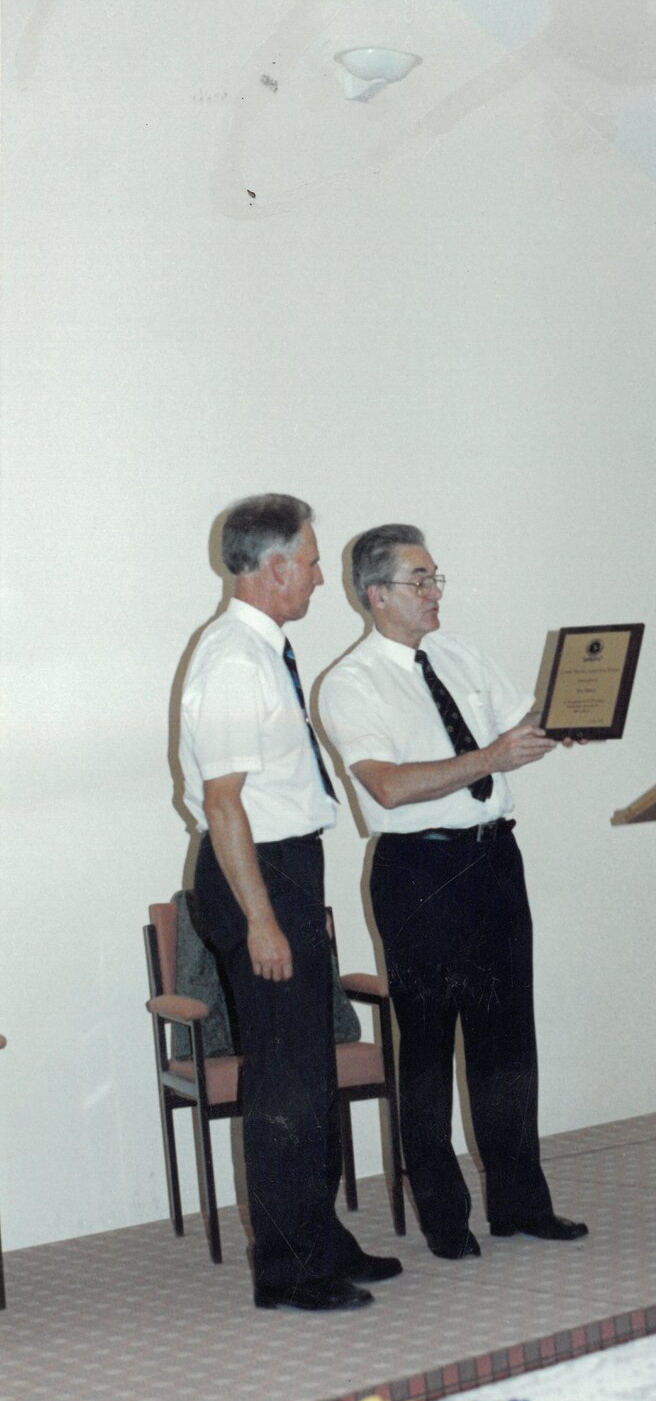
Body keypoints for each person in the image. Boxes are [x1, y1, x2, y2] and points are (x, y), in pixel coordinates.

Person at [318, 524, 588, 1260]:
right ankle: (443, 1218)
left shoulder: (461, 655)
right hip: (421, 874)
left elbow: (515, 729)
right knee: (428, 1049)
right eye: (420, 581)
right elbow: (388, 786)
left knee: (508, 1041)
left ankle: (520, 1203)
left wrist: (569, 716)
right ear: (377, 595)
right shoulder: (349, 683)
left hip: (494, 861)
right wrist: (495, 755)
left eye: (438, 578)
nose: (436, 593)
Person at [178, 494, 401, 1311]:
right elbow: (225, 804)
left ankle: (322, 1239)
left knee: (307, 1071)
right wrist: (264, 919)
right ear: (272, 569)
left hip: (280, 868)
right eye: (308, 560)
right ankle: (290, 1270)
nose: (315, 573)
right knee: (282, 1081)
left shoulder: (260, 650)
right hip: (255, 876)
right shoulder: (235, 659)